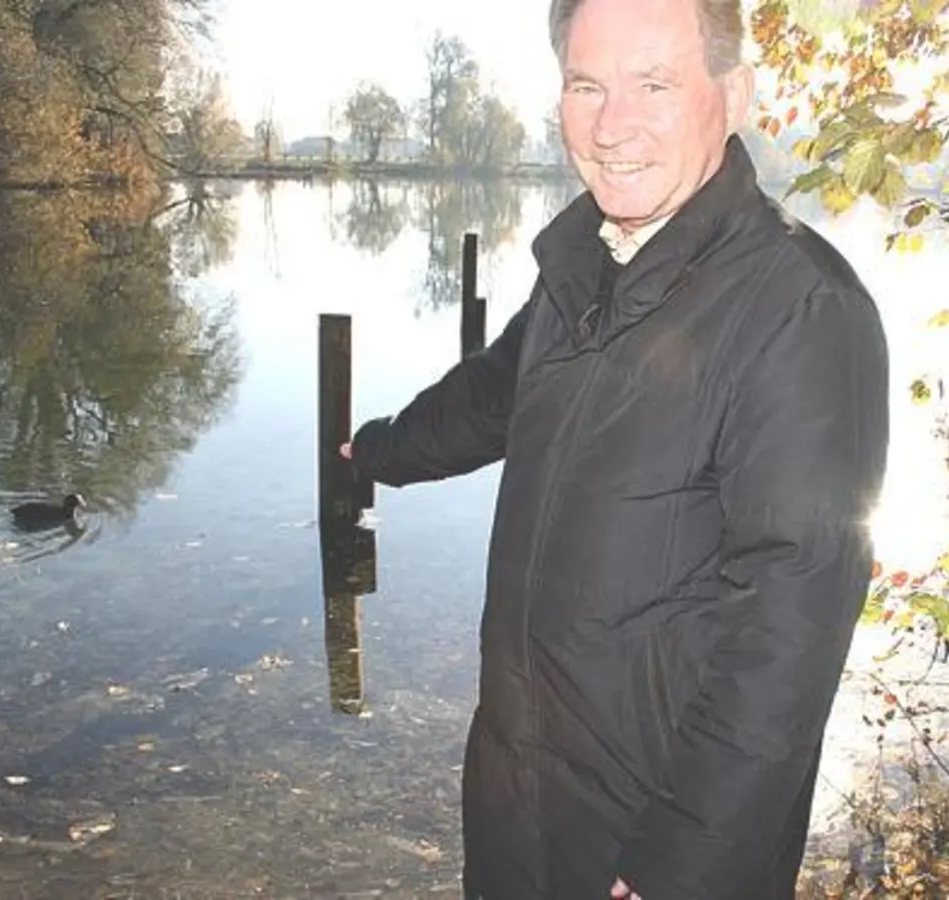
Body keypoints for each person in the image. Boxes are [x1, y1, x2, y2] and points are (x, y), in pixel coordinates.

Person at [339, 0, 889, 895]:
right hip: (517, 792)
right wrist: (374, 453)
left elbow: (791, 623)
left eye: (655, 83)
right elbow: (489, 397)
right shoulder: (586, 271)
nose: (612, 124)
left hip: (645, 837)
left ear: (734, 95)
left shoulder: (801, 311)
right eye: (586, 85)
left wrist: (683, 861)